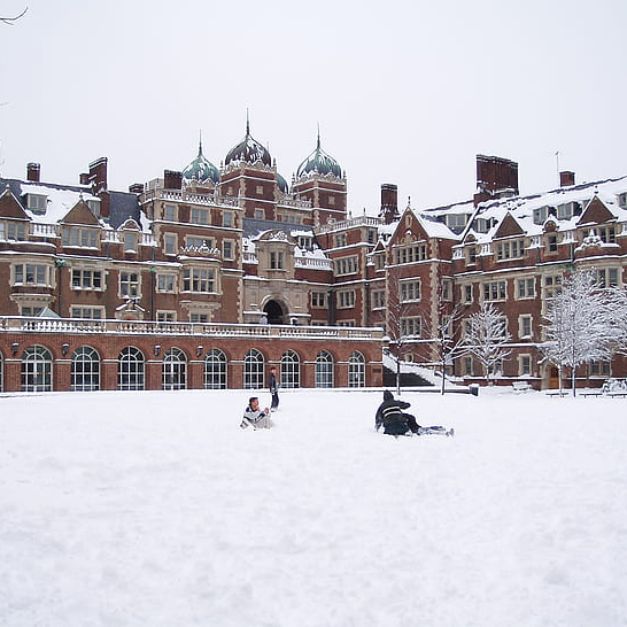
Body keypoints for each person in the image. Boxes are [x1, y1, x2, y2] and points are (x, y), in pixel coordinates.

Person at [375, 390, 454, 437]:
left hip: (390, 428)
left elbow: (378, 419)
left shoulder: (381, 406)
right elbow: (407, 405)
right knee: (410, 417)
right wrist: (401, 404)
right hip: (401, 424)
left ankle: (414, 428)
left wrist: (377, 427)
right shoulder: (396, 402)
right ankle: (416, 428)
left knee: (405, 417)